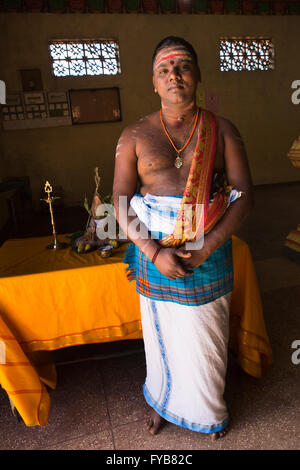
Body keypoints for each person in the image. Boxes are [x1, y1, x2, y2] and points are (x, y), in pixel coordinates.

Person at [113, 36, 253, 439]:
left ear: (197, 76)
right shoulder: (134, 135)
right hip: (151, 250)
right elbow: (118, 202)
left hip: (208, 246)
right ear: (154, 83)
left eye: (183, 66)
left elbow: (244, 194)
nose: (174, 75)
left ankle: (207, 410)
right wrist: (155, 253)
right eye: (164, 70)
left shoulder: (222, 130)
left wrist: (206, 247)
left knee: (206, 341)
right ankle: (162, 402)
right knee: (160, 337)